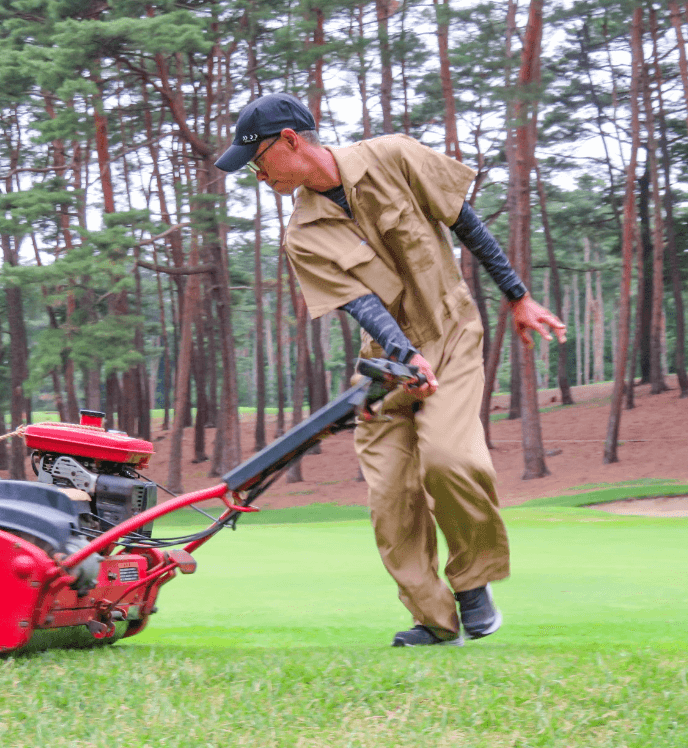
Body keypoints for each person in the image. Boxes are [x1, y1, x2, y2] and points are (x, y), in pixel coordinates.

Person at [215, 93, 567, 647]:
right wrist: (403, 354)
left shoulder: (394, 156)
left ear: (290, 140)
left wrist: (518, 296)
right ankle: (435, 620)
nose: (257, 175)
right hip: (384, 364)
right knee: (391, 498)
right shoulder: (302, 233)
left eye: (258, 160)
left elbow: (465, 221)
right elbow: (360, 304)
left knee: (450, 460)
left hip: (450, 334)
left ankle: (473, 584)